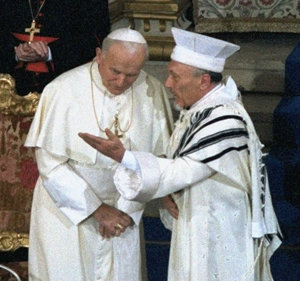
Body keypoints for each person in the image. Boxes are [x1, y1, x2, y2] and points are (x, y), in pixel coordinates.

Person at [79, 27, 283, 281]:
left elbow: (183, 170)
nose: (167, 84)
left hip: (217, 231)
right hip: (198, 223)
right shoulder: (198, 110)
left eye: (175, 77)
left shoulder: (225, 118)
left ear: (204, 81)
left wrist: (124, 157)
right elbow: (176, 163)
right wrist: (165, 191)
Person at [25, 27, 173, 281]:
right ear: (98, 56)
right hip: (69, 210)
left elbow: (158, 161)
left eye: (131, 75)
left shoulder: (152, 91)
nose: (121, 82)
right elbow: (50, 165)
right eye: (115, 71)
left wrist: (124, 210)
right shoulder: (63, 89)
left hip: (125, 209)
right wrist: (97, 210)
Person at [0, 0, 110, 96]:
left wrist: (50, 53)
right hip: (8, 86)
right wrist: (15, 52)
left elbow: (97, 40)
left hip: (65, 85)